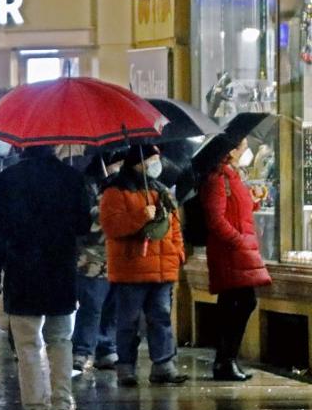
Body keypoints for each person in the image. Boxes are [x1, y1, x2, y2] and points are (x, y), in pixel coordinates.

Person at [0, 145, 92, 410]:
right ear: (54, 145)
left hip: (23, 273)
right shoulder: (71, 176)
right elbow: (83, 224)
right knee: (61, 341)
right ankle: (61, 407)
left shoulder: (9, 178)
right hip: (60, 272)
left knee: (28, 346)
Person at [99, 145, 187, 387]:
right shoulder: (115, 191)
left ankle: (164, 365)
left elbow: (174, 226)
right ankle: (126, 367)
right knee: (128, 322)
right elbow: (112, 227)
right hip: (131, 269)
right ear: (140, 162)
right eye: (153, 159)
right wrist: (141, 216)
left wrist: (177, 253)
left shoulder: (161, 191)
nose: (157, 164)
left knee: (161, 318)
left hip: (163, 268)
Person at [201, 130, 271, 381]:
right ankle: (225, 360)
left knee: (236, 303)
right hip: (230, 253)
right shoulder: (218, 179)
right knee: (240, 303)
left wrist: (254, 200)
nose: (245, 150)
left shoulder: (233, 177)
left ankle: (227, 360)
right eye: (242, 146)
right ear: (231, 151)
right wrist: (237, 240)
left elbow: (237, 210)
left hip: (239, 252)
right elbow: (215, 218)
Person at [72, 154, 122, 373]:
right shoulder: (86, 185)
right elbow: (83, 220)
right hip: (91, 258)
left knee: (112, 306)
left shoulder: (121, 186)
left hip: (117, 257)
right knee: (92, 306)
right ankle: (82, 350)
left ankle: (106, 348)